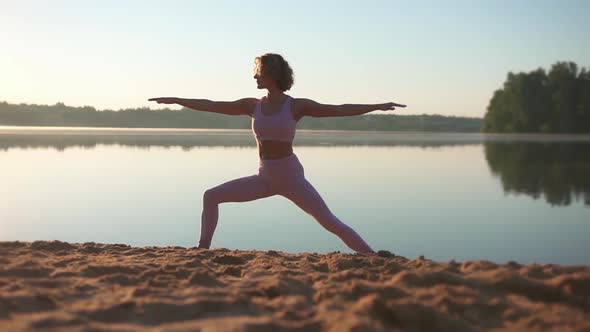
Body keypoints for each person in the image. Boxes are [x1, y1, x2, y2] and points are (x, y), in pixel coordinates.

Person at [149, 53, 406, 254]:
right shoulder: (252, 105)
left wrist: (376, 106)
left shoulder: (296, 106)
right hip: (265, 177)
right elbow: (212, 105)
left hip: (291, 177)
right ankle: (202, 249)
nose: (255, 77)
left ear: (272, 74)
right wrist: (177, 100)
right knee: (211, 196)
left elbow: (338, 109)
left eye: (259, 73)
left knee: (330, 222)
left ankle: (372, 257)